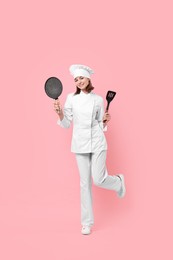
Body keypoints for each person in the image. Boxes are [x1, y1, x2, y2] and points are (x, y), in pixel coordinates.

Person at [54, 64, 126, 235]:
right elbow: (66, 124)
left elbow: (100, 123)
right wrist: (59, 113)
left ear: (88, 79)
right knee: (84, 184)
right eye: (76, 79)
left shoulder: (99, 99)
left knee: (98, 179)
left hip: (98, 142)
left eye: (81, 78)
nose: (79, 81)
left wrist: (105, 121)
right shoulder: (71, 98)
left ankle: (118, 182)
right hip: (79, 143)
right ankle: (86, 223)